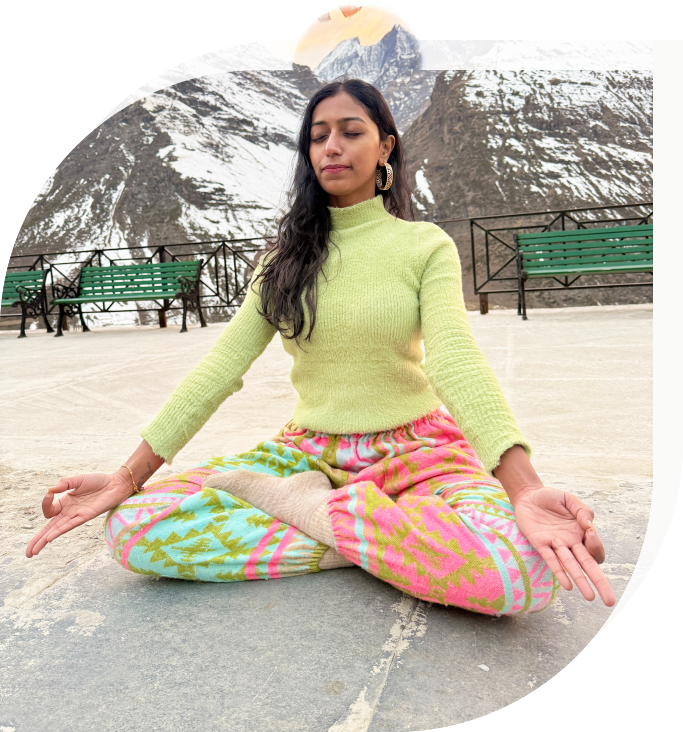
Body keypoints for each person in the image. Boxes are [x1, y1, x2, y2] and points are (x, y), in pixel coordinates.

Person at [26, 79, 615, 615]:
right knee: (134, 529)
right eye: (318, 136)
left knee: (523, 574)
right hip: (307, 456)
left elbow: (455, 361)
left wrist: (525, 490)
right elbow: (221, 367)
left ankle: (319, 518)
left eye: (351, 132)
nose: (332, 146)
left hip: (418, 452)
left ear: (385, 148)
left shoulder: (424, 246)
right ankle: (393, 546)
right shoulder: (281, 262)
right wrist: (126, 476)